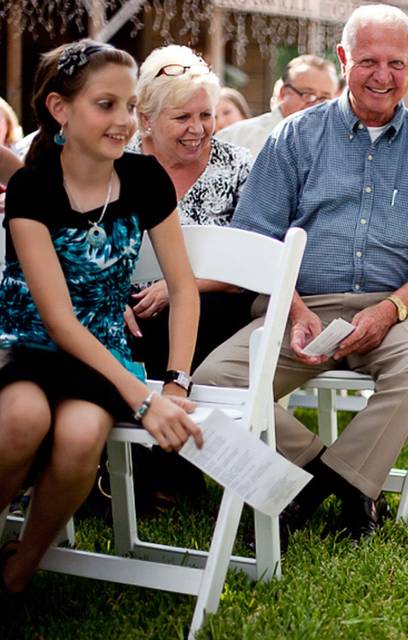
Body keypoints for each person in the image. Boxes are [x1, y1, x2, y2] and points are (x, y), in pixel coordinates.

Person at [193, 4, 408, 543]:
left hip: (396, 308)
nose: (383, 76)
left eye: (397, 63)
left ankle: (325, 485)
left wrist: (390, 309)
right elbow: (258, 237)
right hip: (299, 301)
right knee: (212, 384)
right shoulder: (294, 137)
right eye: (368, 60)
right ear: (343, 59)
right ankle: (332, 480)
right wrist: (296, 311)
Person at [0, 40, 201, 595]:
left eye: (131, 106)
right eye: (106, 104)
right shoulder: (31, 186)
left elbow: (184, 288)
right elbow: (58, 320)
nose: (125, 120)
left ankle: (20, 568)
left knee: (83, 432)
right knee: (22, 420)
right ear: (61, 110)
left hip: (102, 349)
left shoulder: (144, 179)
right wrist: (143, 398)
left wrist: (176, 381)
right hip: (31, 341)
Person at [125, 45, 254, 508]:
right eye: (182, 118)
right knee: (129, 328)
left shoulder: (238, 166)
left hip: (217, 302)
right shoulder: (117, 162)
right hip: (128, 305)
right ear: (146, 118)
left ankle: (162, 472)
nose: (198, 129)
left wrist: (179, 288)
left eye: (206, 114)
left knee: (170, 326)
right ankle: (136, 471)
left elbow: (255, 263)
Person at [216, 55, 338, 155]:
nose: (316, 105)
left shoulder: (338, 145)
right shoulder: (235, 138)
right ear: (283, 93)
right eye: (307, 94)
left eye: (324, 98)